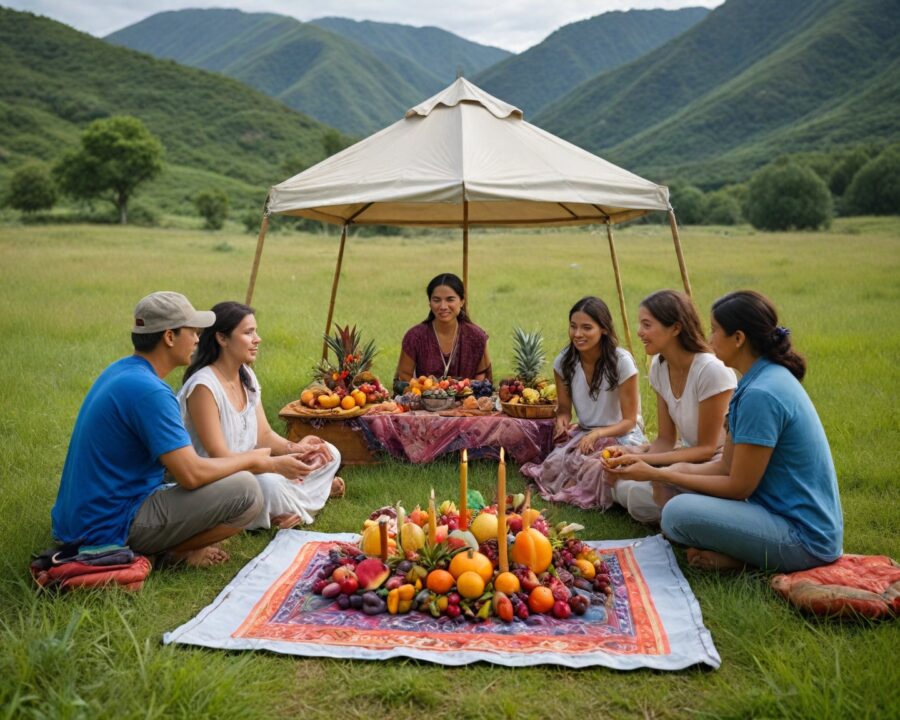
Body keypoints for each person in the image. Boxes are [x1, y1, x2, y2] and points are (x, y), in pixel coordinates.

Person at [50, 291, 310, 568]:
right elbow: (190, 474)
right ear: (169, 337)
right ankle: (173, 553)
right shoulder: (150, 392)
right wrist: (259, 462)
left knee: (245, 482)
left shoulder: (121, 371)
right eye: (193, 331)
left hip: (77, 519)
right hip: (108, 525)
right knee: (247, 491)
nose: (198, 339)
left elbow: (174, 468)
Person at [606, 290, 843, 572]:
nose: (709, 339)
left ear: (739, 338)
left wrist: (657, 472)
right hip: (773, 515)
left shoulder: (762, 394)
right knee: (670, 486)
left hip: (803, 539)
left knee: (677, 513)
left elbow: (738, 486)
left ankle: (743, 560)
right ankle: (738, 555)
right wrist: (662, 470)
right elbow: (724, 466)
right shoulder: (756, 382)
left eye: (715, 331)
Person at [180, 301, 343, 531]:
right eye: (248, 333)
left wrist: (296, 449)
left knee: (330, 453)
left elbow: (264, 435)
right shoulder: (203, 387)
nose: (258, 339)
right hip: (223, 480)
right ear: (222, 338)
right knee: (268, 486)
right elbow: (220, 457)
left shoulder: (245, 375)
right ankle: (313, 498)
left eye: (255, 331)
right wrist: (273, 466)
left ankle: (291, 509)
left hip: (255, 467)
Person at [608, 290, 736, 524]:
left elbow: (707, 449)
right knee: (623, 485)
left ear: (676, 328)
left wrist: (647, 465)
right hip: (686, 459)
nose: (639, 332)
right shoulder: (658, 366)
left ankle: (683, 512)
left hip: (716, 466)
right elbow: (665, 440)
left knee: (637, 494)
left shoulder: (710, 371)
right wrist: (634, 456)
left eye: (647, 325)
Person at [521, 296, 645, 509]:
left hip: (622, 434)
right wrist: (562, 421)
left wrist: (597, 434)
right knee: (555, 464)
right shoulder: (564, 362)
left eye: (587, 328)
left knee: (595, 467)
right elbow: (564, 411)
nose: (578, 334)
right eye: (573, 327)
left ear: (603, 329)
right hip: (585, 432)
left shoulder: (621, 362)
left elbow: (629, 421)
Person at [395, 273, 491, 382]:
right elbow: (404, 376)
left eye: (450, 300)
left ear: (462, 302)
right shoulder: (415, 336)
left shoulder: (476, 336)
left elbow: (482, 381)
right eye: (436, 300)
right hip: (424, 398)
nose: (443, 306)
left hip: (469, 398)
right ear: (430, 303)